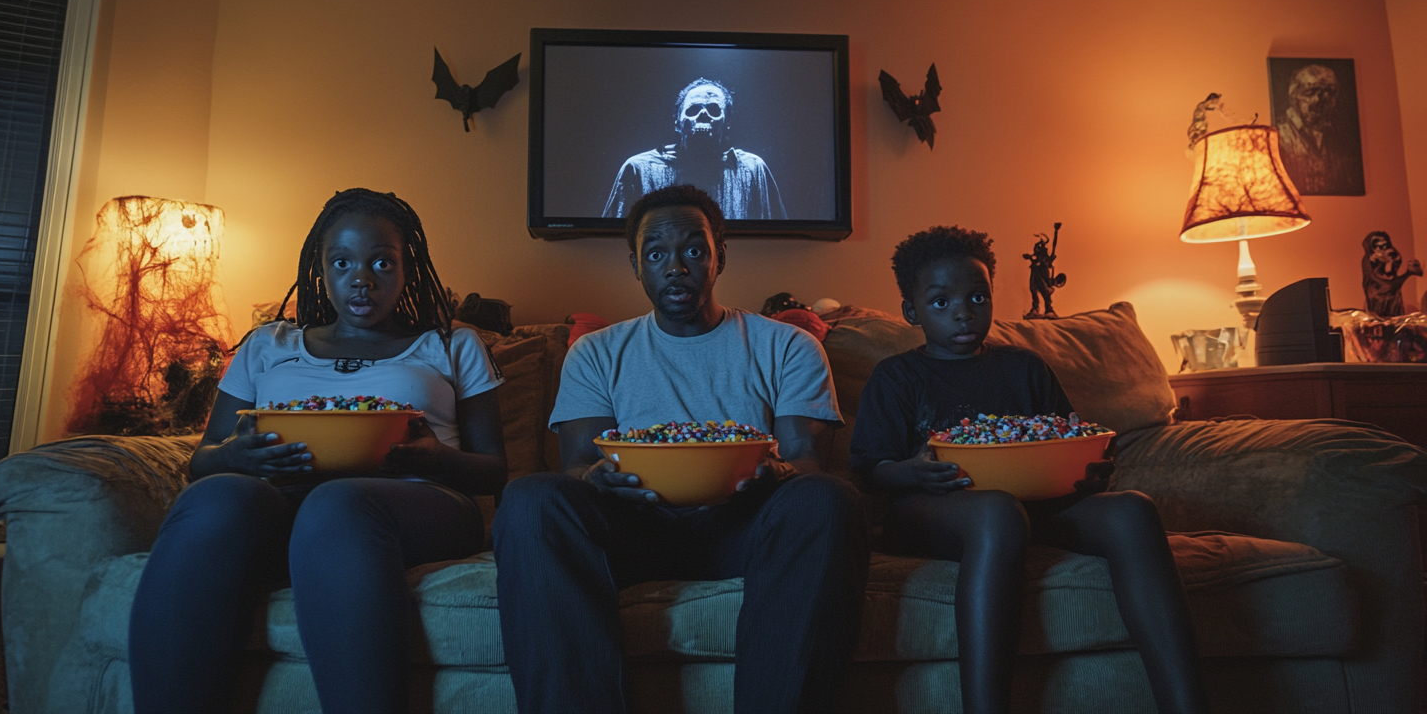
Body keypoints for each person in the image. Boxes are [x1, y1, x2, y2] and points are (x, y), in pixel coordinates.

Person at [128, 188, 506, 714]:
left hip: (422, 502)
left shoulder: (450, 344)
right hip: (282, 500)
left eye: (382, 263)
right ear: (320, 268)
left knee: (338, 505)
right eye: (343, 262)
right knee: (216, 500)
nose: (362, 278)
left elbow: (494, 470)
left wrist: (434, 457)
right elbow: (204, 458)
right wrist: (240, 456)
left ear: (407, 268)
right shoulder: (269, 344)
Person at [494, 184, 868, 714]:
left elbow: (805, 459)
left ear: (720, 258)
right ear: (636, 265)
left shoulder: (786, 345)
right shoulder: (596, 353)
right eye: (656, 253)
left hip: (747, 523)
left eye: (694, 249)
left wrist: (773, 471)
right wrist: (596, 478)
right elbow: (577, 464)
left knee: (829, 498)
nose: (676, 266)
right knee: (531, 499)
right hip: (633, 527)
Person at [849, 225, 1209, 714]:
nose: (963, 311)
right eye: (941, 302)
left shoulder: (1024, 368)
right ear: (911, 312)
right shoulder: (897, 376)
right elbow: (871, 470)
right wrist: (912, 472)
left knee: (1132, 510)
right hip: (933, 509)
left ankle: (1186, 704)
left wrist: (1090, 470)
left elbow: (1066, 440)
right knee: (998, 511)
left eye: (978, 296)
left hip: (1035, 503)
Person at [602, 78, 788, 220]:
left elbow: (778, 237)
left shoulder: (752, 169)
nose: (703, 116)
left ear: (727, 123)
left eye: (714, 111)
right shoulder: (639, 169)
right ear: (677, 121)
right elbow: (611, 239)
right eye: (693, 110)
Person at [1275, 63, 1358, 195]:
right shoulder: (1276, 135)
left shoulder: (1341, 139)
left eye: (1329, 93)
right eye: (1311, 92)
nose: (1319, 100)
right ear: (1293, 95)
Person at [1361, 230, 1422, 317]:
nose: (1383, 249)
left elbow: (1396, 261)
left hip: (1393, 303)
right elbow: (1387, 286)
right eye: (1379, 246)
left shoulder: (1390, 254)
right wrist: (1408, 274)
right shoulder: (1368, 262)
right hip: (1378, 303)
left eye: (1385, 245)